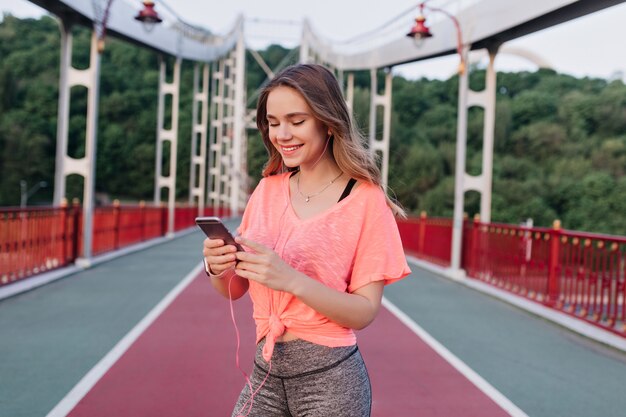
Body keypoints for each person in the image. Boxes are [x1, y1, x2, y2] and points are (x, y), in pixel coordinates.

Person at [202, 63, 411, 417]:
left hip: (330, 380)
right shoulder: (267, 191)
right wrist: (216, 266)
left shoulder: (365, 200)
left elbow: (364, 312)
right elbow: (235, 290)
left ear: (327, 122)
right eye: (273, 122)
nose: (281, 134)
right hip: (265, 373)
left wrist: (290, 279)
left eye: (296, 121)